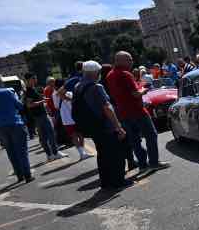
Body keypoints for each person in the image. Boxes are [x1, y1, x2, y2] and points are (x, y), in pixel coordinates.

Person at [106, 51, 170, 172]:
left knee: (134, 139)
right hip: (137, 111)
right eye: (129, 59)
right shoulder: (125, 74)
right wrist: (144, 90)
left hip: (123, 113)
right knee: (151, 135)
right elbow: (135, 93)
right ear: (120, 61)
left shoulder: (109, 75)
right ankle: (154, 162)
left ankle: (142, 164)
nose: (131, 61)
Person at [74, 60, 130, 189]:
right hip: (105, 125)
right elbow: (107, 108)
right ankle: (118, 181)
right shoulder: (96, 87)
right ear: (95, 73)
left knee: (102, 154)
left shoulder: (78, 86)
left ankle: (105, 182)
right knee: (115, 154)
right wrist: (118, 126)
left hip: (92, 127)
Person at [0, 74, 33, 183]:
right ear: (0, 81)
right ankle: (27, 175)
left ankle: (19, 175)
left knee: (10, 151)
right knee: (22, 150)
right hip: (15, 123)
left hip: (0, 127)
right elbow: (20, 106)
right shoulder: (9, 91)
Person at [101, 63, 136, 171]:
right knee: (125, 137)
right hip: (116, 112)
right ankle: (131, 161)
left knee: (118, 140)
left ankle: (125, 163)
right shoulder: (110, 81)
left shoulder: (100, 83)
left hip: (107, 116)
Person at [24, 73, 62, 161]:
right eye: (34, 78)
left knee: (44, 136)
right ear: (29, 79)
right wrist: (42, 101)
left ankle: (50, 155)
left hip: (39, 115)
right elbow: (29, 105)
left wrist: (41, 101)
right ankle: (55, 153)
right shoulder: (29, 90)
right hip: (39, 116)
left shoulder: (32, 89)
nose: (35, 80)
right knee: (50, 134)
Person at [52, 79, 93, 161]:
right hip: (75, 116)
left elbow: (56, 106)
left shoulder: (54, 94)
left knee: (73, 135)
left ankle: (81, 153)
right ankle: (83, 152)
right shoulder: (69, 92)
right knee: (80, 134)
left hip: (65, 118)